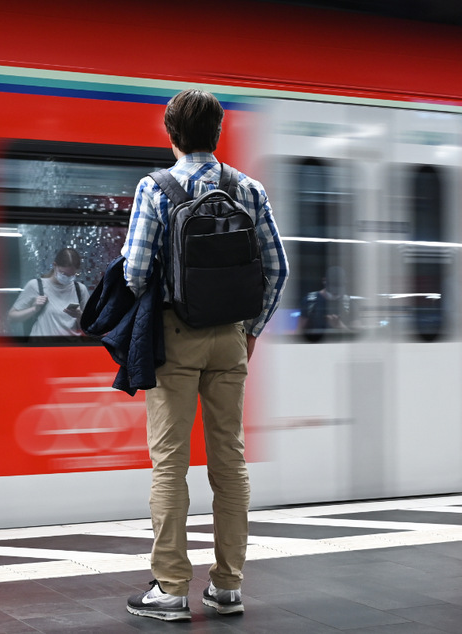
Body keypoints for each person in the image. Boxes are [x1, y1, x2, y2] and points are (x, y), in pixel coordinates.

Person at [121, 88, 288, 621]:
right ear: (219, 133)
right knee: (230, 460)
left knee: (169, 463)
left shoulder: (156, 187)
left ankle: (170, 588)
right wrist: (252, 331)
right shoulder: (249, 189)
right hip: (230, 339)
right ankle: (228, 585)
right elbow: (277, 269)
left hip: (174, 337)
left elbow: (135, 272)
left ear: (171, 135)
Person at [8, 247, 89, 337]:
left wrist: (79, 316)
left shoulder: (80, 290)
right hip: (42, 346)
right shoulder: (36, 286)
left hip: (70, 347)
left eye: (72, 275)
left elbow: (90, 327)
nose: (67, 277)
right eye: (63, 273)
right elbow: (11, 317)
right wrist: (34, 309)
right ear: (55, 265)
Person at [298, 265, 352, 341]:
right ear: (324, 281)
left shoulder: (349, 304)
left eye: (338, 286)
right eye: (332, 286)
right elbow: (300, 332)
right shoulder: (310, 301)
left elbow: (357, 335)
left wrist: (339, 326)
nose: (335, 292)